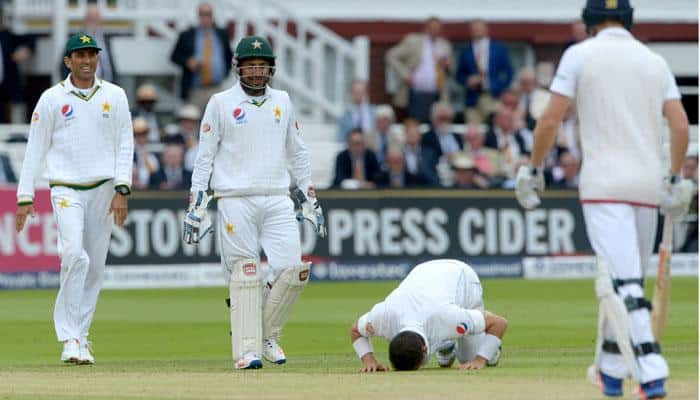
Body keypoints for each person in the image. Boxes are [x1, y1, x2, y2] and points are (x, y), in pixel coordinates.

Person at [514, 1, 693, 398]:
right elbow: (679, 126)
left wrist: (533, 168)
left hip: (604, 186)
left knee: (624, 281)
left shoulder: (579, 54)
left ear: (590, 23)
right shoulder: (653, 60)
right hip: (647, 186)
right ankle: (611, 372)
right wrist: (674, 178)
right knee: (626, 278)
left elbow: (549, 119)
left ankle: (651, 373)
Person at [183, 35, 326, 370]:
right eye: (252, 66)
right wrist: (196, 204)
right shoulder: (220, 103)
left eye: (263, 66)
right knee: (246, 275)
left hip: (277, 197)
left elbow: (298, 151)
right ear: (239, 68)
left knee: (291, 272)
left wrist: (309, 196)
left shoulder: (283, 100)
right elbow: (204, 157)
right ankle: (247, 351)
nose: (258, 72)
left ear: (271, 69)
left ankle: (267, 335)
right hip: (235, 198)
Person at [15, 33, 133, 365]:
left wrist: (122, 189)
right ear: (68, 61)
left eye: (91, 55)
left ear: (97, 59)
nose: (86, 61)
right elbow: (35, 149)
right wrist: (26, 196)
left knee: (94, 268)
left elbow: (126, 144)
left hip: (104, 189)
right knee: (73, 256)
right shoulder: (52, 98)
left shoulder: (115, 95)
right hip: (66, 188)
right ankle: (68, 336)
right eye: (79, 55)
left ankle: (81, 336)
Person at [350, 259, 507, 372]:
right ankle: (446, 345)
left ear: (425, 348)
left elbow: (499, 323)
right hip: (424, 273)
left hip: (463, 277)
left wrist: (480, 360)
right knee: (444, 330)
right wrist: (369, 360)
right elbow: (356, 330)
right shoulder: (382, 318)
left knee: (469, 359)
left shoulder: (449, 317)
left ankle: (492, 351)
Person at [385, 17, 453, 123]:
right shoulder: (414, 41)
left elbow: (449, 71)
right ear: (426, 28)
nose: (435, 31)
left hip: (437, 94)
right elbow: (391, 56)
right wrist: (405, 74)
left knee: (436, 126)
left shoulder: (444, 45)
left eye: (437, 28)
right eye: (432, 28)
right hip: (417, 92)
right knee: (418, 123)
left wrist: (447, 66)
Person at [170, 2, 233, 111]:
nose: (205, 17)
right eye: (202, 14)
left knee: (218, 121)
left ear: (212, 16)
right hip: (196, 90)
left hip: (217, 88)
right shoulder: (187, 35)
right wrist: (187, 62)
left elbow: (229, 56)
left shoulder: (221, 34)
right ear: (198, 16)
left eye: (208, 14)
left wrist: (225, 73)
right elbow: (174, 56)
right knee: (193, 121)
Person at [456, 20, 513, 125]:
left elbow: (508, 72)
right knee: (474, 128)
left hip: (492, 97)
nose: (476, 31)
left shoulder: (498, 48)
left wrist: (500, 88)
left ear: (486, 30)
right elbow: (459, 75)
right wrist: (467, 81)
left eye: (479, 28)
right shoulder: (466, 51)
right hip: (472, 99)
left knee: (495, 127)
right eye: (474, 29)